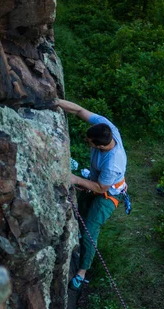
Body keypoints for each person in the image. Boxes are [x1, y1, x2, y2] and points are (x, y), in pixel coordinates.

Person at [57, 99, 128, 291]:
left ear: (100, 146)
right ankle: (78, 244)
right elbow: (80, 110)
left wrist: (75, 179)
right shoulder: (107, 128)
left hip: (108, 194)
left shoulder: (113, 163)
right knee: (80, 215)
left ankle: (82, 271)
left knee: (90, 229)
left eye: (89, 142)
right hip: (96, 183)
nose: (86, 142)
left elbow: (100, 189)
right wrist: (54, 101)